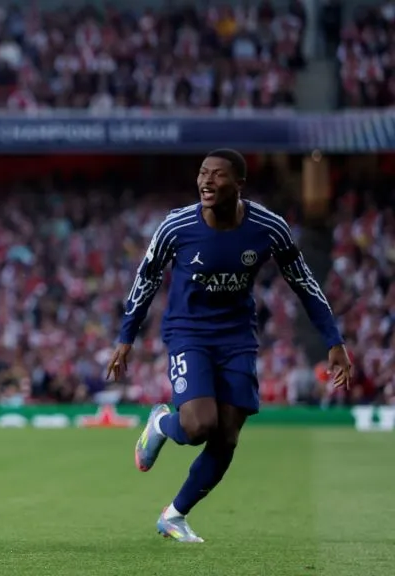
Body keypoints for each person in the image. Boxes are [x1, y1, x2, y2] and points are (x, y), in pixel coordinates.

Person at [106, 149, 353, 543]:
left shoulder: (269, 228)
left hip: (237, 337)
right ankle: (161, 423)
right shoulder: (176, 226)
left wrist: (333, 340)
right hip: (189, 332)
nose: (206, 181)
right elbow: (146, 278)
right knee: (199, 425)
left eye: (218, 175)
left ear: (239, 184)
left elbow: (303, 282)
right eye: (202, 173)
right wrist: (125, 337)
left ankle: (174, 515)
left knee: (227, 437)